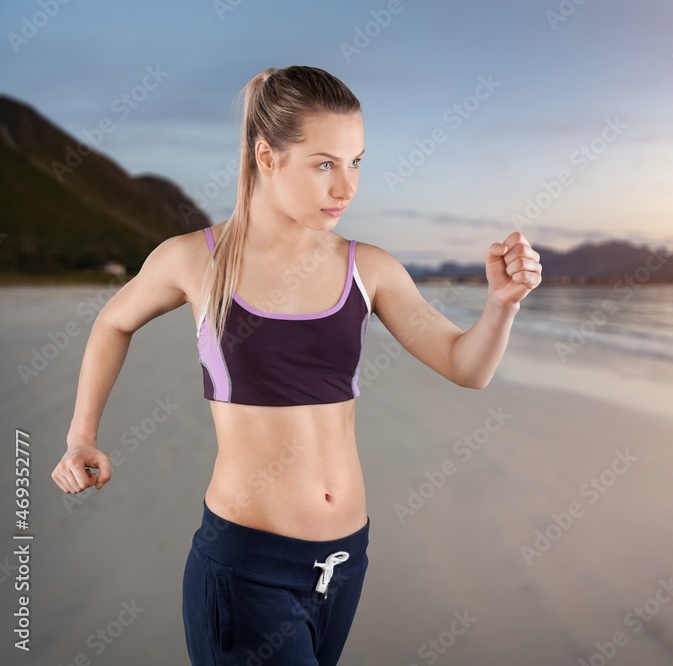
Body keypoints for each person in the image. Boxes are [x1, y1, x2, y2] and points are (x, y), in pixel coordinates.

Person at [50, 65, 542, 665]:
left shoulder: (370, 268)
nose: (347, 186)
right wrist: (82, 436)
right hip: (246, 569)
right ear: (267, 156)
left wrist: (501, 306)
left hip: (344, 564)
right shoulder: (194, 261)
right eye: (325, 163)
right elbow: (113, 321)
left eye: (357, 161)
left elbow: (467, 366)